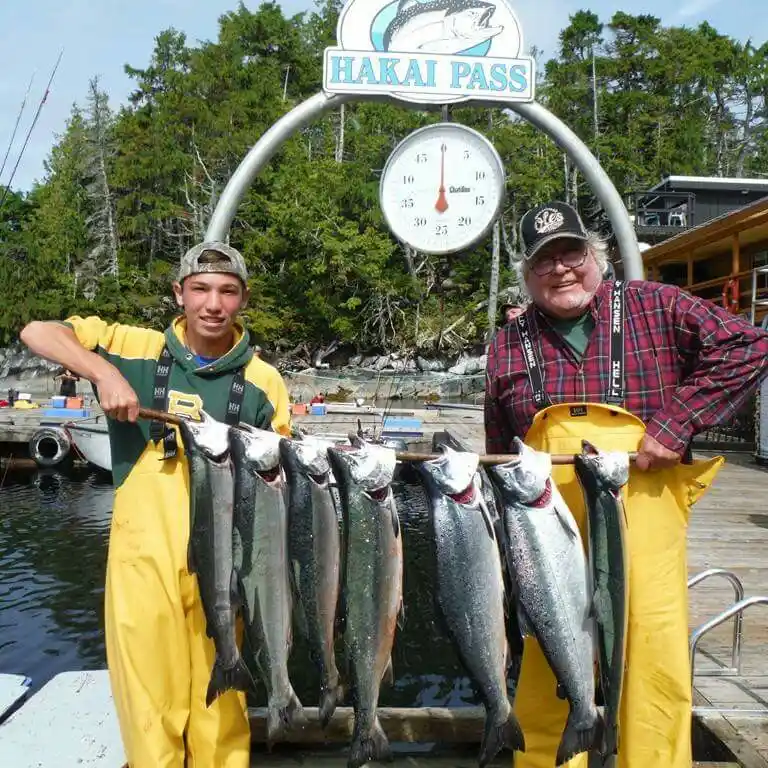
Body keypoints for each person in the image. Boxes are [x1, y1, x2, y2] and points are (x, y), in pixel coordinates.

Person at [484, 201, 768, 768]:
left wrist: (675, 422)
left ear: (597, 256)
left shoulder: (654, 305)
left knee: (653, 667)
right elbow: (499, 453)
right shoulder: (507, 345)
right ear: (528, 274)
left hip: (645, 526)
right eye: (545, 260)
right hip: (546, 535)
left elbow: (748, 345)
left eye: (572, 252)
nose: (561, 268)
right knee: (547, 671)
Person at [20, 241, 292, 768]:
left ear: (243, 299)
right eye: (200, 289)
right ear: (179, 293)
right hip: (141, 561)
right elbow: (37, 332)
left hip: (225, 562)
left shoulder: (264, 381)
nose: (213, 304)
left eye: (227, 291)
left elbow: (274, 484)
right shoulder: (131, 345)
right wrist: (104, 373)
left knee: (221, 706)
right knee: (149, 701)